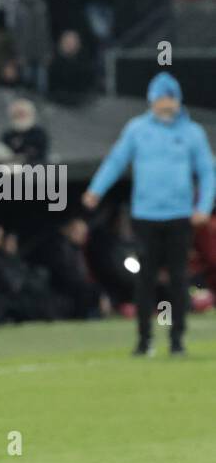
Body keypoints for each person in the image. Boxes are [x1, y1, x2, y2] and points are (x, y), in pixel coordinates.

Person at [83, 72, 214, 355]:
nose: (166, 104)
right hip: (146, 215)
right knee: (145, 278)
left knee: (179, 278)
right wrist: (96, 190)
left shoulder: (192, 133)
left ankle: (177, 339)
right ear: (152, 101)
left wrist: (203, 207)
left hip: (180, 215)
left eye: (170, 99)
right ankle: (144, 340)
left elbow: (207, 171)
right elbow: (116, 161)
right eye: (160, 99)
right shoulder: (137, 130)